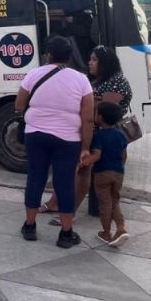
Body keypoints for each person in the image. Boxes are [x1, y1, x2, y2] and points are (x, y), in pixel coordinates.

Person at [40, 45, 132, 224]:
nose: (89, 63)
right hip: (86, 131)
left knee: (82, 172)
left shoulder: (118, 82)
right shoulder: (98, 80)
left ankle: (69, 212)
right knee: (71, 170)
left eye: (94, 59)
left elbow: (102, 110)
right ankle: (55, 204)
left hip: (99, 136)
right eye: (90, 59)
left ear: (106, 63)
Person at [17, 36, 94, 249]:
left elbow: (19, 103)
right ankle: (66, 233)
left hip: (36, 135)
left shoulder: (33, 74)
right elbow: (88, 117)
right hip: (68, 139)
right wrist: (86, 147)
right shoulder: (81, 79)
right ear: (69, 57)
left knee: (35, 178)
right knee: (64, 183)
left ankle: (30, 226)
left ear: (48, 54)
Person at [81, 101, 129, 246]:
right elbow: (124, 155)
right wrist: (120, 168)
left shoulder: (99, 135)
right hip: (118, 172)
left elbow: (97, 155)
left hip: (102, 173)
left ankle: (106, 233)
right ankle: (121, 228)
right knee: (115, 201)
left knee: (104, 203)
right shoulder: (121, 134)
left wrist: (83, 162)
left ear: (100, 117)